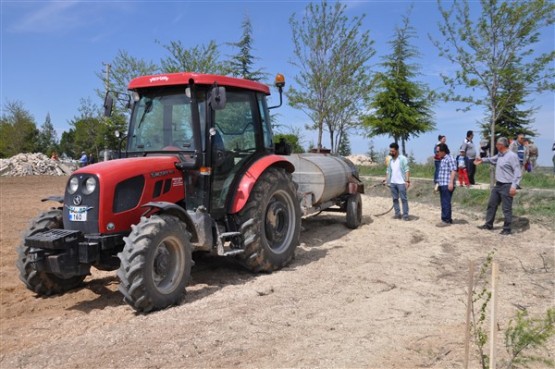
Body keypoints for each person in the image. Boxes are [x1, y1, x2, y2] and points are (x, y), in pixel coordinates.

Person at [474, 137, 522, 235]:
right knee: (492, 204)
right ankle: (488, 225)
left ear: (502, 145)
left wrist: (514, 186)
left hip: (507, 185)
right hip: (498, 185)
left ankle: (507, 229)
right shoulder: (500, 154)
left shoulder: (512, 156)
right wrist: (482, 160)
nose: (495, 146)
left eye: (497, 144)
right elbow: (492, 159)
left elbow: (517, 172)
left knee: (506, 208)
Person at [384, 142, 410, 221]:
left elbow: (407, 170)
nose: (391, 152)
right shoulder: (390, 160)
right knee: (395, 199)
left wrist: (407, 181)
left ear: (397, 150)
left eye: (392, 151)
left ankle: (405, 215)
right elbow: (388, 171)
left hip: (401, 183)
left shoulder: (402, 159)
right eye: (390, 151)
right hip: (393, 182)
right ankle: (397, 214)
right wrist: (386, 180)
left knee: (403, 199)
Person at [436, 143, 457, 227]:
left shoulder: (450, 159)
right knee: (444, 202)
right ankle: (448, 218)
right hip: (442, 183)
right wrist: (438, 184)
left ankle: (445, 220)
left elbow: (453, 171)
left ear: (443, 151)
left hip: (447, 184)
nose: (437, 153)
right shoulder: (443, 159)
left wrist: (451, 182)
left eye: (438, 151)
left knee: (445, 202)